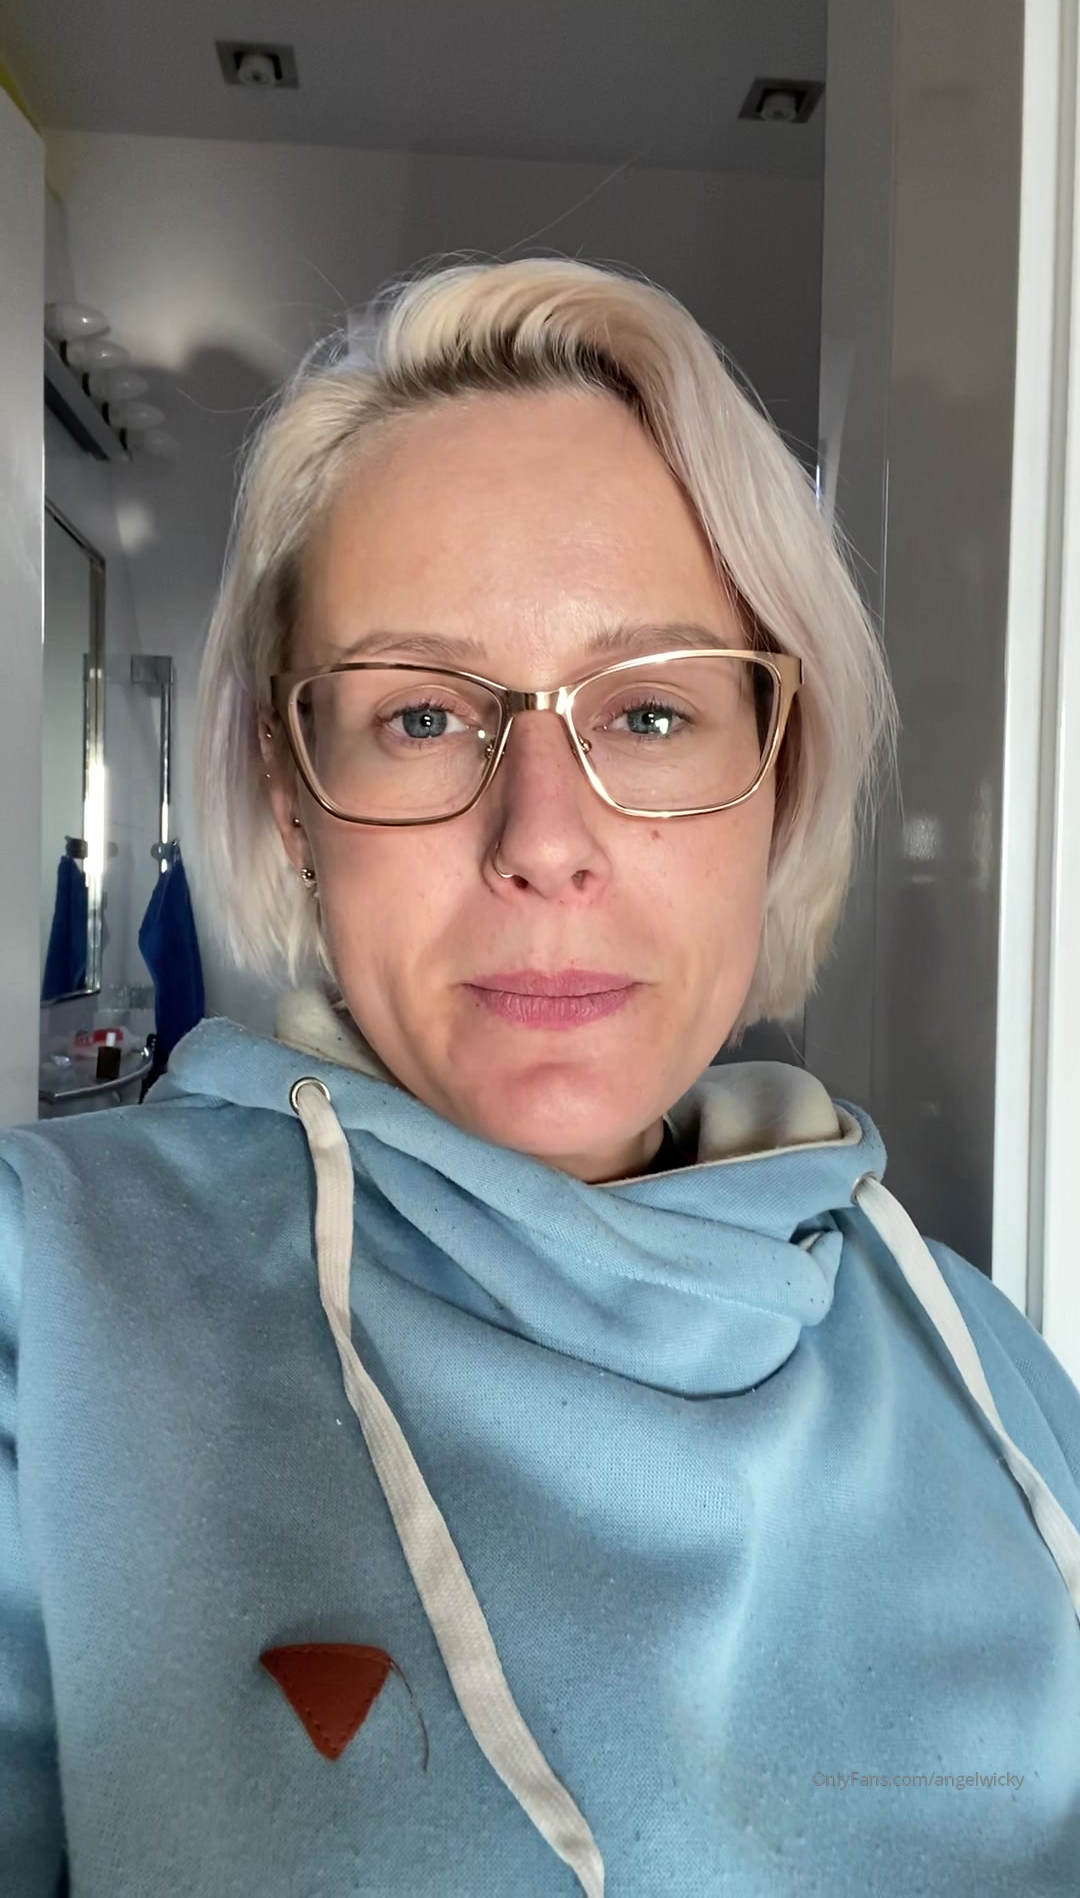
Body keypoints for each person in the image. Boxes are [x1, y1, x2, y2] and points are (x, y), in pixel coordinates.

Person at [3, 258, 1079, 1898]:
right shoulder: (48, 1303)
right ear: (293, 797)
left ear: (777, 782)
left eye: (647, 715)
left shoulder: (984, 1360)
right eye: (422, 717)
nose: (544, 841)